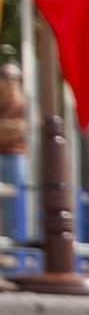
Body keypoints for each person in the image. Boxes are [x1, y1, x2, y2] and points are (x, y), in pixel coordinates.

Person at [0, 57, 27, 245]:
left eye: (12, 77)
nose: (8, 81)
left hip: (15, 157)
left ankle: (15, 244)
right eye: (4, 76)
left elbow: (22, 130)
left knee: (15, 204)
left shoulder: (24, 105)